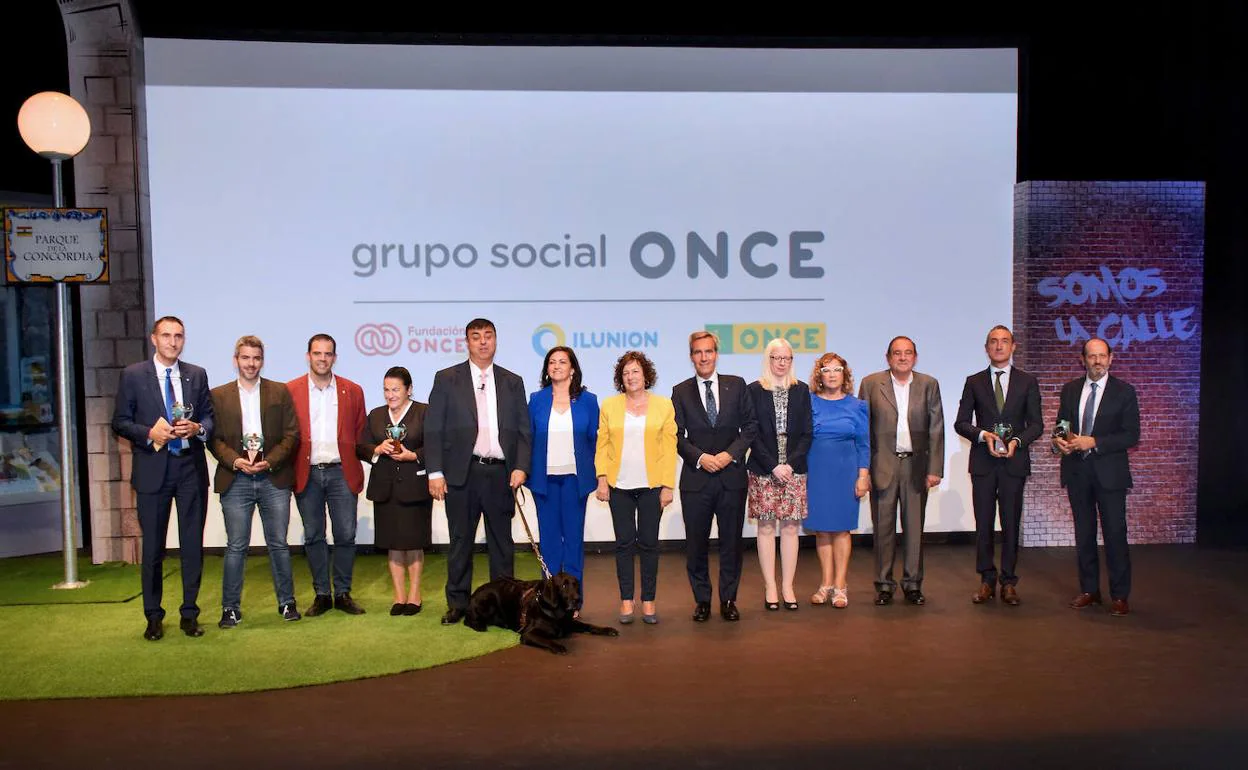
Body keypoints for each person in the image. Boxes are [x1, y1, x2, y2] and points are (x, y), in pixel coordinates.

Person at [111, 316, 215, 641]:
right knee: (153, 549)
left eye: (179, 336)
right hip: (153, 470)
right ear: (154, 339)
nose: (173, 341)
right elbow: (120, 422)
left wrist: (198, 428)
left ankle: (189, 614)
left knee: (192, 547)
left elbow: (210, 416)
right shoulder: (133, 375)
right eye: (167, 335)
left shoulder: (196, 374)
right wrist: (149, 433)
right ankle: (153, 616)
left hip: (189, 469)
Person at [425, 318, 532, 625]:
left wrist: (521, 467)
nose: (483, 342)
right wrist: (435, 473)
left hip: (501, 474)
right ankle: (458, 604)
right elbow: (433, 429)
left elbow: (524, 432)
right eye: (476, 337)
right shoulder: (447, 378)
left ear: (496, 341)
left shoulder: (512, 381)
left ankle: (504, 604)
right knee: (461, 542)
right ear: (467, 343)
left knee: (502, 544)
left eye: (488, 336)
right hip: (463, 473)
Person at [208, 335, 300, 628]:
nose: (251, 363)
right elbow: (213, 439)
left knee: (278, 544)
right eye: (246, 358)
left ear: (262, 360)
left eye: (256, 358)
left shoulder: (280, 391)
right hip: (235, 480)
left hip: (273, 478)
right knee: (236, 546)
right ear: (236, 360)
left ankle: (287, 603)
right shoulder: (218, 395)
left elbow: (292, 435)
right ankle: (230, 609)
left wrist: (269, 461)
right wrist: (235, 461)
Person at [672, 331, 759, 622]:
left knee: (731, 543)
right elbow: (676, 435)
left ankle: (729, 599)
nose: (704, 357)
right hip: (696, 480)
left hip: (731, 477)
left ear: (716, 354)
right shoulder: (680, 391)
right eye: (698, 352)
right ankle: (702, 600)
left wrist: (728, 455)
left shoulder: (737, 385)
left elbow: (750, 427)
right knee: (696, 545)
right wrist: (700, 458)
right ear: (691, 356)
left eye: (708, 351)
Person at [953, 325, 1043, 606]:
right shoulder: (974, 381)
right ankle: (986, 580)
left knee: (1010, 523)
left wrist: (1017, 440)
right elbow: (961, 422)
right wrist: (982, 435)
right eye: (994, 342)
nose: (999, 346)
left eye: (1004, 341)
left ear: (1013, 346)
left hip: (1013, 463)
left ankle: (1009, 581)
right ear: (986, 348)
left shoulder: (1027, 382)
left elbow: (1037, 424)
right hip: (983, 463)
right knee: (983, 525)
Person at [1052, 337, 1140, 617]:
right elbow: (1061, 426)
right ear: (1083, 359)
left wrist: (1095, 441)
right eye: (1092, 356)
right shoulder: (1070, 390)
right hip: (1077, 472)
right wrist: (1060, 442)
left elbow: (1131, 434)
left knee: (1115, 534)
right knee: (1084, 534)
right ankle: (1090, 590)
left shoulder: (1124, 392)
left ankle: (1119, 596)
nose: (1098, 361)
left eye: (1102, 356)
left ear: (1111, 359)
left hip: (1110, 475)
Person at [858, 335, 944, 607]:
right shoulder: (871, 384)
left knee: (914, 529)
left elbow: (936, 429)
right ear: (888, 357)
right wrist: (864, 470)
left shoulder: (929, 384)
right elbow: (863, 430)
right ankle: (884, 585)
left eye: (908, 353)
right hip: (882, 465)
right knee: (883, 529)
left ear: (915, 357)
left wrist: (934, 469)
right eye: (897, 353)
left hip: (916, 466)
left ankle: (912, 585)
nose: (903, 357)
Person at [286, 333, 369, 617]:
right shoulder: (291, 390)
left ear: (334, 357)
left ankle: (343, 593)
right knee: (313, 536)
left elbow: (361, 433)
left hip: (340, 472)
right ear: (308, 356)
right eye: (317, 353)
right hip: (306, 472)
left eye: (328, 354)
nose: (323, 359)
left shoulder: (353, 390)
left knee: (346, 534)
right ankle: (322, 594)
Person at [595, 351, 677, 625]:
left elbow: (669, 447)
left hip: (653, 487)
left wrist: (668, 485)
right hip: (619, 486)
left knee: (650, 544)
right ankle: (626, 599)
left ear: (646, 375)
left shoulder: (664, 405)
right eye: (626, 372)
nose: (630, 377)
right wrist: (602, 478)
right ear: (621, 378)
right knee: (624, 544)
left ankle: (649, 600)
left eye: (636, 371)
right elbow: (602, 444)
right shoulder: (609, 406)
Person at [528, 346, 599, 611]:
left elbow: (594, 440)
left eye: (562, 361)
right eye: (552, 362)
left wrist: (599, 475)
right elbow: (529, 438)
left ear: (572, 368)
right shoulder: (536, 399)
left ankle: (573, 602)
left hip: (574, 481)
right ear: (547, 369)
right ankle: (549, 602)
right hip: (544, 482)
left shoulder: (588, 400)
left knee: (573, 542)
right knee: (548, 543)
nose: (556, 365)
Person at [745, 338, 812, 612]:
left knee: (790, 528)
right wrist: (773, 464)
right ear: (768, 360)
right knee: (765, 527)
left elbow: (807, 432)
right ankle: (770, 585)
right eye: (776, 357)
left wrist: (790, 465)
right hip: (763, 469)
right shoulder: (753, 390)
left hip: (793, 471)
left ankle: (788, 586)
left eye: (787, 358)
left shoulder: (801, 390)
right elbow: (751, 433)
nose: (781, 363)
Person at [358, 366, 432, 615]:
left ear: (409, 389)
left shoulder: (424, 412)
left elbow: (436, 446)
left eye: (396, 389)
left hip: (415, 487)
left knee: (413, 543)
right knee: (393, 544)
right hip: (385, 488)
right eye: (386, 390)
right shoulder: (376, 415)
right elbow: (361, 446)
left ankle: (415, 595)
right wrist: (377, 450)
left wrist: (414, 455)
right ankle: (399, 596)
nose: (390, 395)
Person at [805, 352, 870, 609]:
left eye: (836, 369)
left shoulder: (858, 406)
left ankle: (841, 586)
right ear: (819, 376)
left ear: (845, 374)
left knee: (842, 529)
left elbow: (864, 444)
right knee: (822, 529)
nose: (831, 374)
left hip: (846, 472)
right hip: (817, 471)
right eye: (826, 370)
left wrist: (863, 476)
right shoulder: (808, 403)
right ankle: (825, 584)